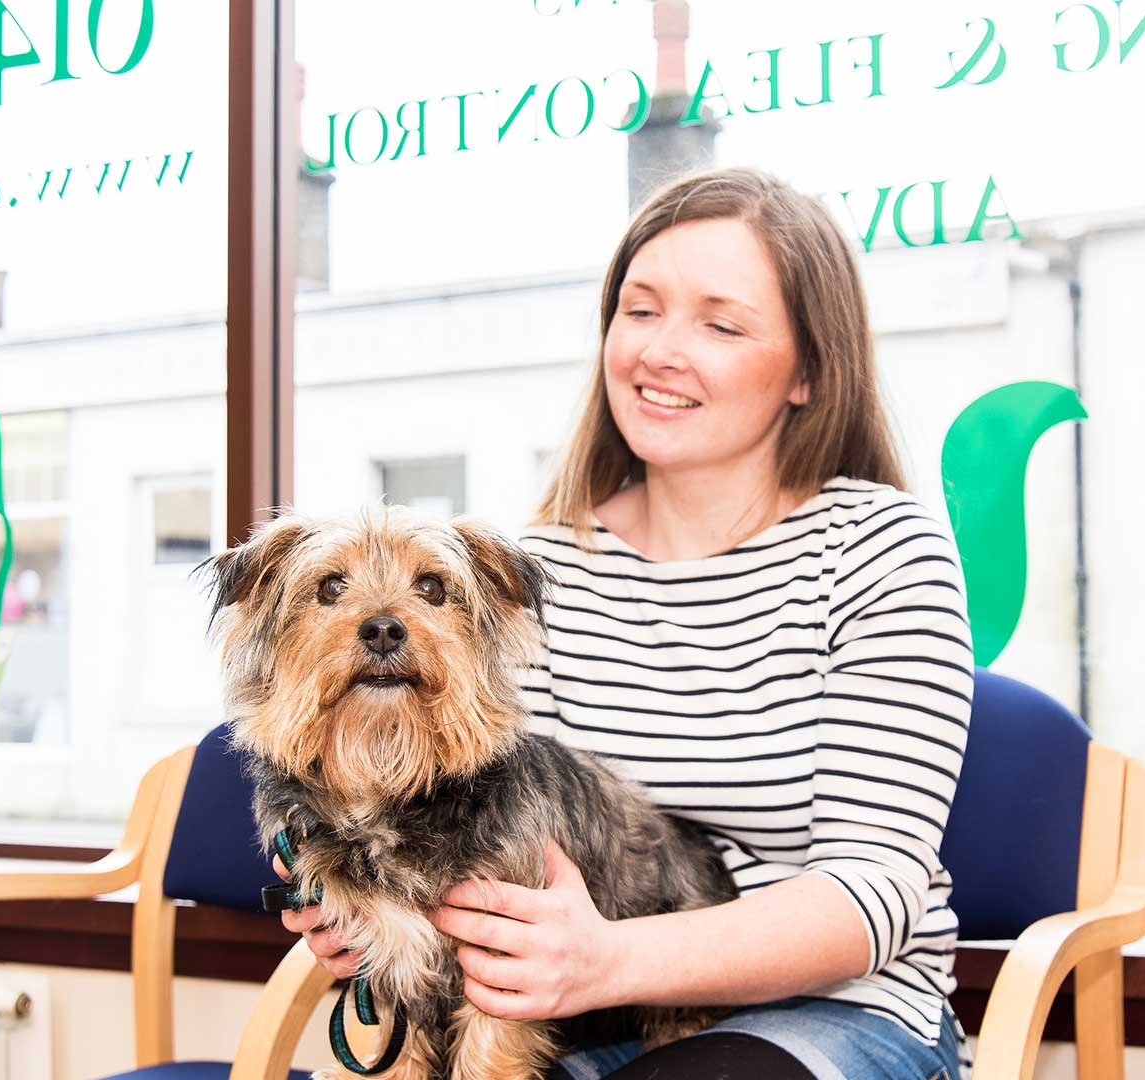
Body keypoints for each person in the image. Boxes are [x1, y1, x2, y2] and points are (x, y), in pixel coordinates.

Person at [281, 167, 976, 1080]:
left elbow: (870, 896)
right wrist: (375, 907)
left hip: (838, 1015)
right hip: (565, 1010)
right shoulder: (538, 569)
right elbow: (486, 828)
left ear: (809, 369)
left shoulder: (883, 550)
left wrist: (607, 959)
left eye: (720, 324)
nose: (659, 350)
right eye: (639, 310)